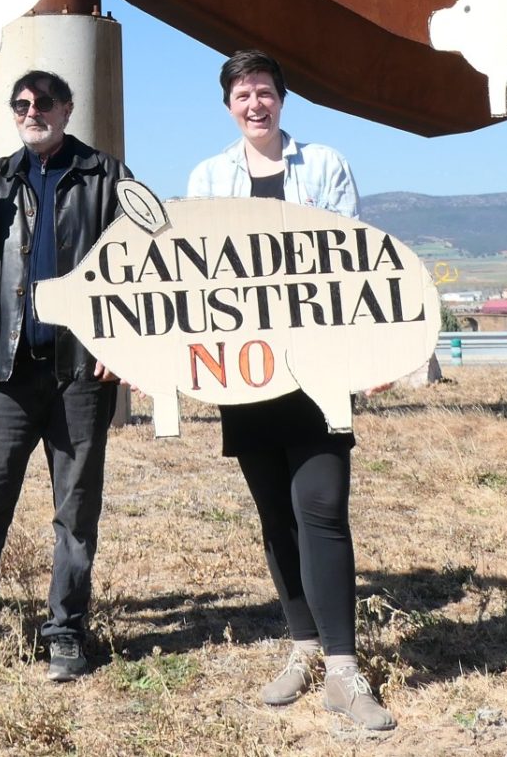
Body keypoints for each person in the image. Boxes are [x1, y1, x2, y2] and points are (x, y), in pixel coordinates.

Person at [183, 50, 394, 733]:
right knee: (276, 513)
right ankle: (304, 648)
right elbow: (189, 277)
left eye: (265, 91)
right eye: (243, 93)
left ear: (282, 101)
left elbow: (353, 260)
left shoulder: (325, 166)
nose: (255, 103)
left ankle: (342, 668)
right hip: (244, 372)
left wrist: (375, 349)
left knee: (322, 506)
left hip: (319, 369)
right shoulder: (208, 176)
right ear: (228, 105)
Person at [0, 70, 131, 684]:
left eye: (43, 102)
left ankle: (66, 632)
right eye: (21, 104)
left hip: (80, 372)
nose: (31, 111)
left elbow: (143, 261)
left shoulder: (108, 177)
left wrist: (119, 342)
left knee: (76, 512)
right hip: (9, 370)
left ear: (68, 109)